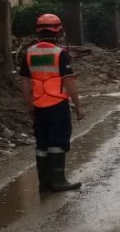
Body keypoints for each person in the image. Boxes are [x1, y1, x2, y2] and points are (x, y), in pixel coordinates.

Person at [17, 13, 84, 193]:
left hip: (38, 104)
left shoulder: (29, 54)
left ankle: (44, 183)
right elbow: (69, 82)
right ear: (58, 31)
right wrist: (78, 106)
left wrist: (29, 105)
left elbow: (24, 83)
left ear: (38, 32)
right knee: (58, 139)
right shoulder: (59, 54)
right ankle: (58, 181)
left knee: (42, 142)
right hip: (57, 104)